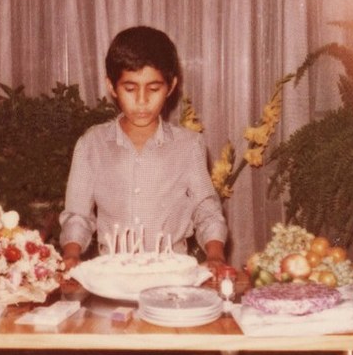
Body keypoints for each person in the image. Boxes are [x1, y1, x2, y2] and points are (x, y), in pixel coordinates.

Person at [59, 26, 228, 271]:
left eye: (153, 89)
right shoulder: (91, 145)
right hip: (112, 276)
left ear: (171, 86)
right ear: (111, 86)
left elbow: (206, 211)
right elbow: (78, 215)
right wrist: (72, 254)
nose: (141, 101)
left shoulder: (189, 146)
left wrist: (215, 255)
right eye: (130, 89)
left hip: (171, 274)